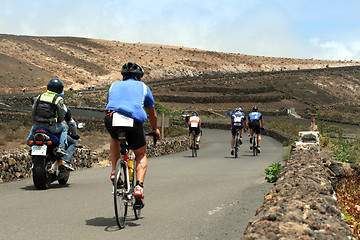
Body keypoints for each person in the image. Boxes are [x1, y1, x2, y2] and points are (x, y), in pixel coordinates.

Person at [104, 62, 160, 208]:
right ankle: (139, 188)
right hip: (133, 121)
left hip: (111, 117)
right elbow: (152, 115)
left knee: (115, 138)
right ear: (139, 78)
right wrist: (155, 130)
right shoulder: (143, 87)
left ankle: (114, 172)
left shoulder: (114, 86)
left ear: (123, 77)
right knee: (140, 154)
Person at [27, 78, 68, 159]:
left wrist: (35, 120)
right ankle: (61, 147)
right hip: (50, 126)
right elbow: (61, 115)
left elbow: (33, 110)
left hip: (37, 124)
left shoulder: (39, 96)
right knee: (63, 128)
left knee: (33, 128)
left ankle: (29, 142)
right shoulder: (58, 99)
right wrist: (59, 121)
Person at [61, 105, 80, 171]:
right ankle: (65, 160)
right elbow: (72, 123)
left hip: (39, 126)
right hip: (56, 130)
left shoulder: (40, 101)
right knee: (72, 143)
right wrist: (75, 134)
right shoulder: (62, 106)